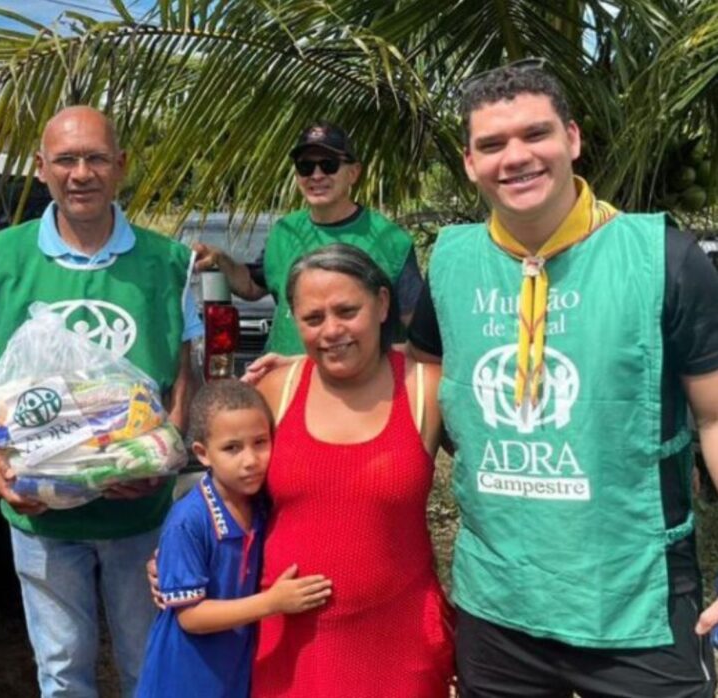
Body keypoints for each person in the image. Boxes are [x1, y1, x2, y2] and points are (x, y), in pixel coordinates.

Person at [408, 62, 718, 696]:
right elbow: (418, 386)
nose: (515, 157)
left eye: (535, 134)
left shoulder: (664, 257)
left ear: (572, 139)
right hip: (497, 604)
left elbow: (715, 417)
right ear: (469, 163)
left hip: (635, 603)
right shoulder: (452, 261)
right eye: (492, 145)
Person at [0, 105, 202, 697]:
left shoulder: (169, 262)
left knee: (147, 661)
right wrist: (1, 466)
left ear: (120, 166)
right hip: (41, 512)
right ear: (40, 168)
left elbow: (182, 373)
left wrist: (160, 462)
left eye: (96, 158)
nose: (81, 173)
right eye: (66, 159)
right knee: (63, 671)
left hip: (138, 513)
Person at [252, 244, 454, 697]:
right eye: (313, 318)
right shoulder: (275, 388)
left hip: (398, 641)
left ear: (383, 304)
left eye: (347, 311)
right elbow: (226, 496)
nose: (332, 331)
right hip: (290, 643)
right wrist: (177, 555)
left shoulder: (428, 389)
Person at [136, 379, 333, 698]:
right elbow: (191, 617)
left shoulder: (263, 505)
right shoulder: (189, 521)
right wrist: (272, 603)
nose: (250, 460)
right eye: (232, 448)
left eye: (260, 442)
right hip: (184, 679)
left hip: (232, 674)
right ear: (203, 453)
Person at [192, 121, 423, 356]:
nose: (316, 175)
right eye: (305, 167)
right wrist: (219, 259)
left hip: (357, 388)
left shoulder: (391, 241)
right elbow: (253, 286)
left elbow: (416, 331)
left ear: (353, 173)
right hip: (285, 382)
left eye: (328, 165)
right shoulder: (284, 231)